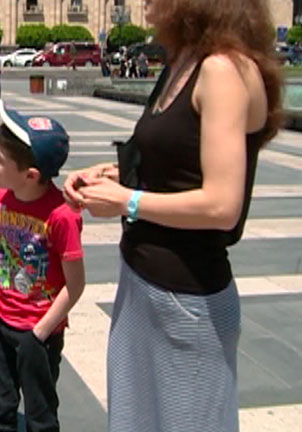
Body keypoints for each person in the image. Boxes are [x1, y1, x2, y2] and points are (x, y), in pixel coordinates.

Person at [62, 0, 283, 431]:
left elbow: (222, 206)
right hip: (140, 282)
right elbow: (174, 163)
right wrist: (110, 175)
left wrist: (127, 200)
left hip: (188, 300)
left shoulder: (223, 70)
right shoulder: (184, 58)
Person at [0, 102, 85, 432]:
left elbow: (75, 285)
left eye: (0, 160)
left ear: (31, 175)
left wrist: (40, 332)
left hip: (38, 331)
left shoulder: (61, 215)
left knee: (41, 417)